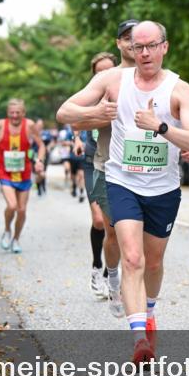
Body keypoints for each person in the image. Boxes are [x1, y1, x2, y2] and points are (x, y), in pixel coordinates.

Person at [57, 20, 189, 365]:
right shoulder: (112, 80)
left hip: (164, 188)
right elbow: (64, 111)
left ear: (164, 47)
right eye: (139, 47)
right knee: (132, 258)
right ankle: (139, 340)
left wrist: (162, 127)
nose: (145, 53)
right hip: (122, 181)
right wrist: (95, 112)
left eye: (152, 45)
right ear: (130, 50)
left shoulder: (180, 90)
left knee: (153, 262)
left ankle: (148, 312)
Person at [82, 51, 119, 302]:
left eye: (109, 70)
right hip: (92, 161)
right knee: (98, 221)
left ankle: (109, 273)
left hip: (116, 162)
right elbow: (74, 120)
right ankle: (97, 266)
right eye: (99, 72)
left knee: (113, 226)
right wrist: (75, 139)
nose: (105, 75)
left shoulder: (125, 90)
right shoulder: (91, 95)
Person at [0, 99, 45, 253]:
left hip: (24, 173)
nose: (14, 116)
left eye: (18, 113)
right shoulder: (0, 125)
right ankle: (7, 230)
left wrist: (39, 161)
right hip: (5, 172)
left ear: (23, 113)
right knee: (12, 206)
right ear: (7, 113)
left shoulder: (29, 126)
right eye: (11, 113)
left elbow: (41, 145)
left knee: (22, 210)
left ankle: (16, 239)